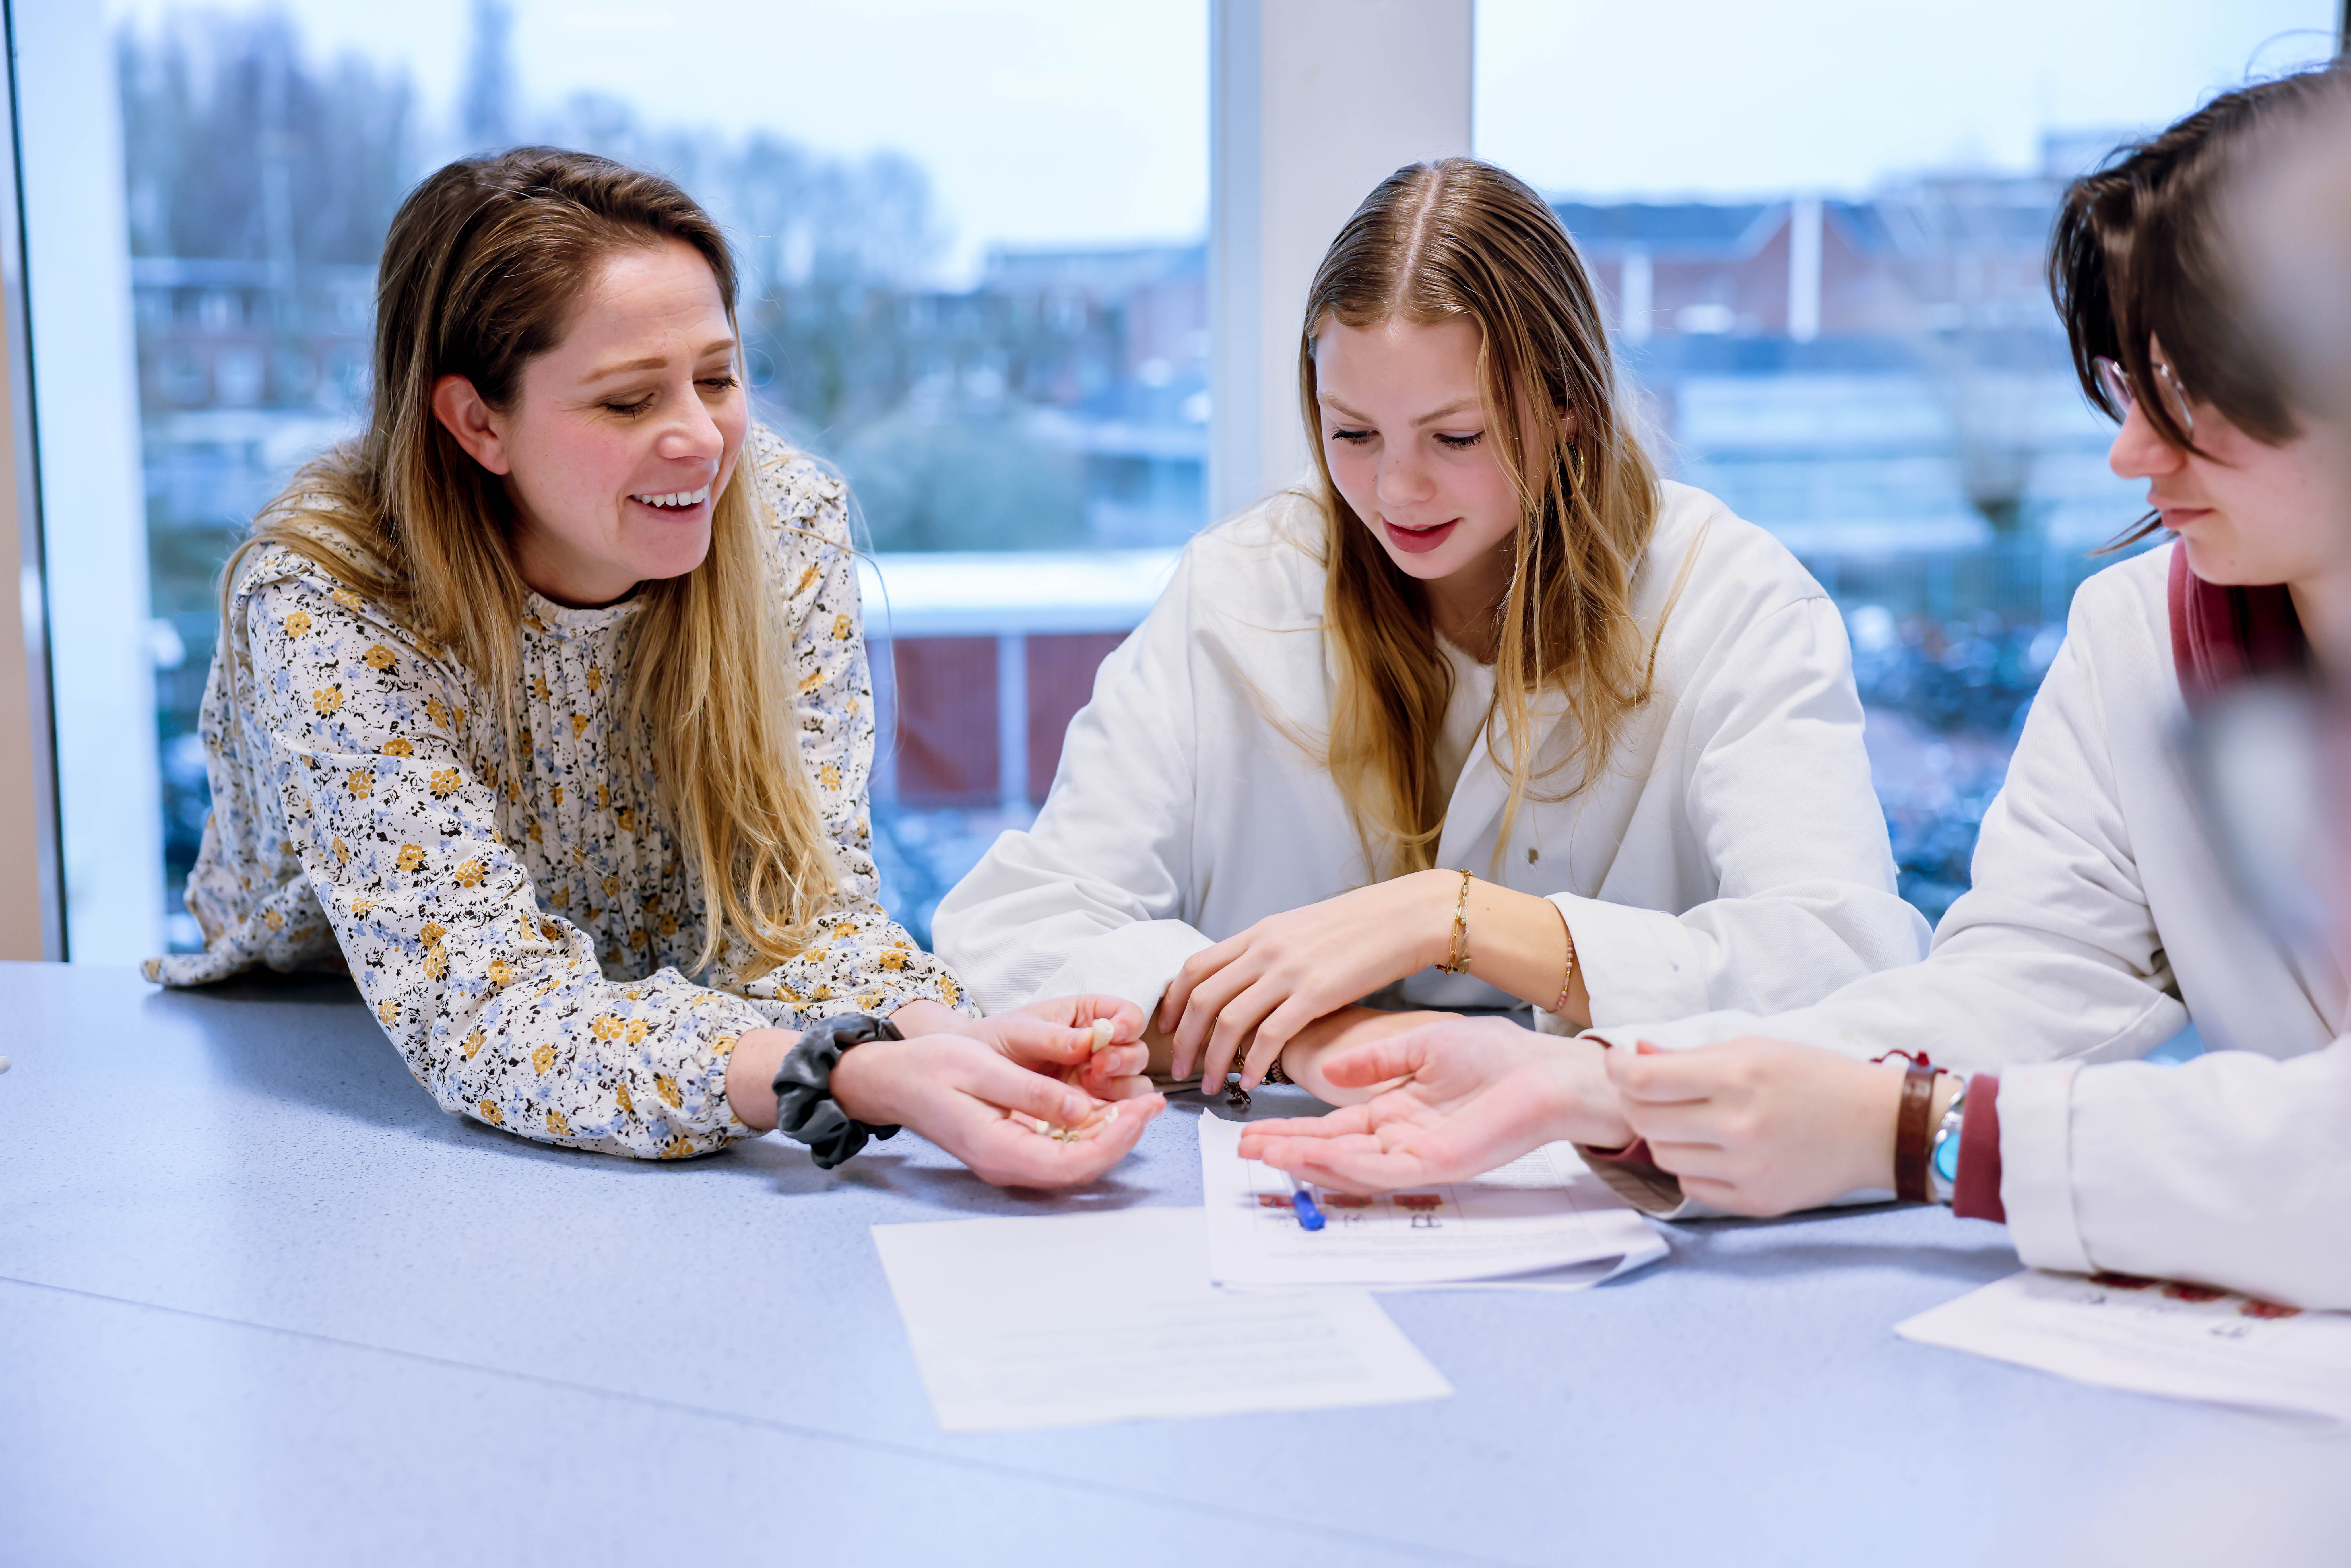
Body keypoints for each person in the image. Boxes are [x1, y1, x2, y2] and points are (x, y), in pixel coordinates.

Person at [1242, 69, 2351, 1310]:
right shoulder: (2136, 636)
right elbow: (2008, 999)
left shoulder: (1728, 593)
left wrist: (1918, 1132)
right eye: (2128, 389)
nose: (2126, 454)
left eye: (2191, 400)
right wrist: (1595, 1089)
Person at [146, 148, 1162, 1185]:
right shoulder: (328, 594)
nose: (700, 441)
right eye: (629, 402)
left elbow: (800, 908)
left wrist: (939, 1037)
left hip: (675, 1029)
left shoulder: (780, 519)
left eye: (718, 379)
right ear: (477, 422)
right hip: (345, 1045)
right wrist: (840, 1074)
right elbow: (488, 1012)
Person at [934, 158, 1929, 1103]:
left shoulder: (1731, 600)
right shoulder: (1240, 590)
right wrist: (1327, 1039)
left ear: (1567, 405)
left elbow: (1849, 965)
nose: (1395, 490)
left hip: (1624, 1187)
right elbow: (1022, 926)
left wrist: (1450, 919)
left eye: (1457, 438)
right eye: (1351, 434)